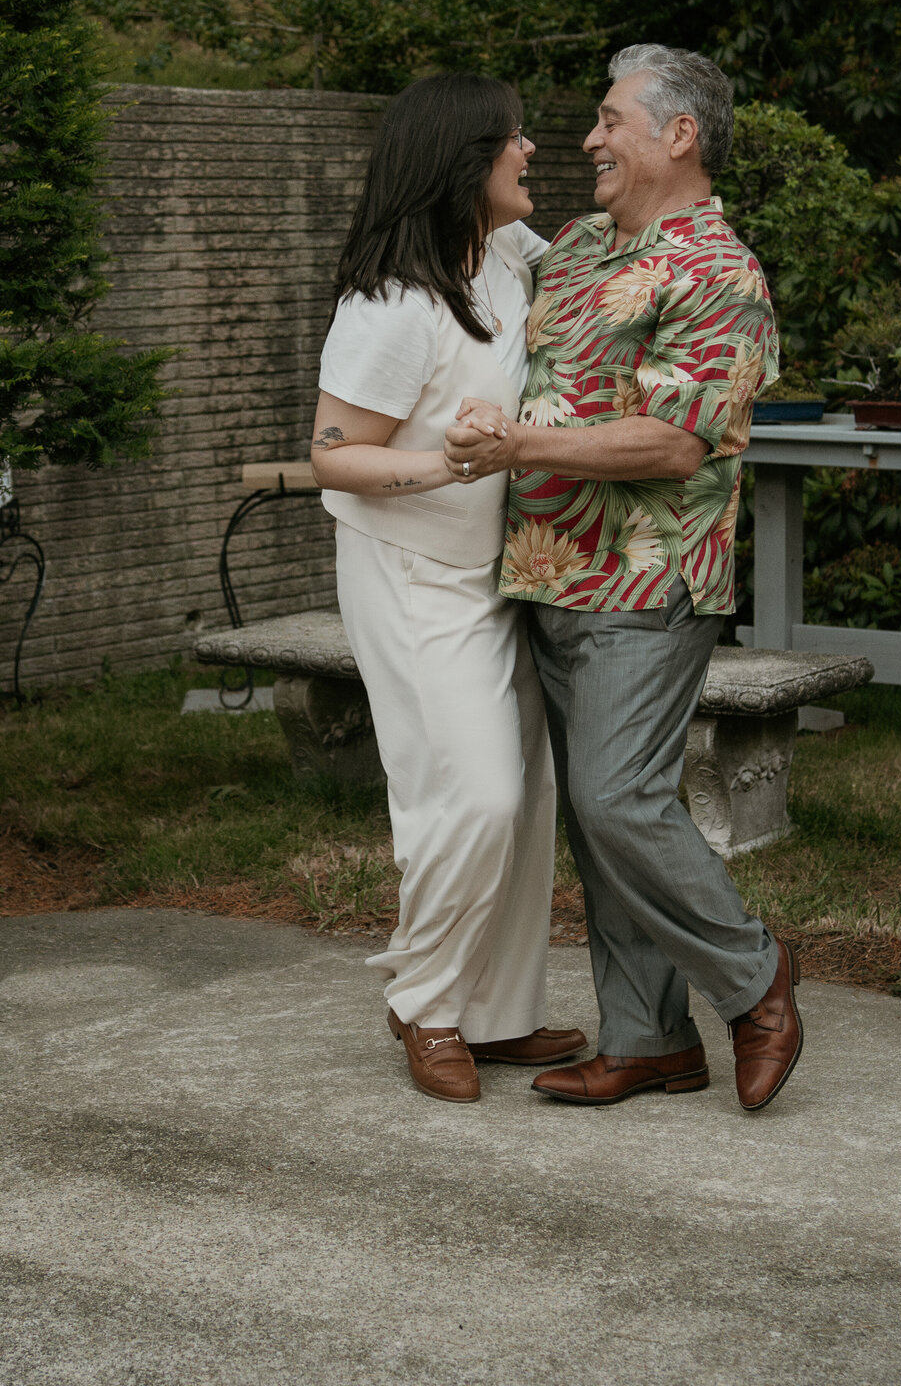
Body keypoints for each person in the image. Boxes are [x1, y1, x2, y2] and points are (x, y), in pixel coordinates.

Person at [444, 44, 803, 1111]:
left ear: (678, 136)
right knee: (598, 821)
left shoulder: (721, 274)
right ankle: (648, 1036)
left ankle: (755, 978)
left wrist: (515, 449)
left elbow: (674, 445)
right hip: (548, 573)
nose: (589, 140)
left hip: (648, 584)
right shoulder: (582, 244)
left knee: (618, 796)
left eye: (611, 121)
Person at [310, 72, 586, 1104]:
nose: (531, 152)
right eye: (513, 141)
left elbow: (598, 268)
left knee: (527, 801)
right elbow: (335, 454)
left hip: (494, 576)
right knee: (471, 797)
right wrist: (454, 465)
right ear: (464, 163)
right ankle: (425, 1003)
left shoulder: (505, 256)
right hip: (411, 576)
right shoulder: (391, 306)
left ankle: (498, 1015)